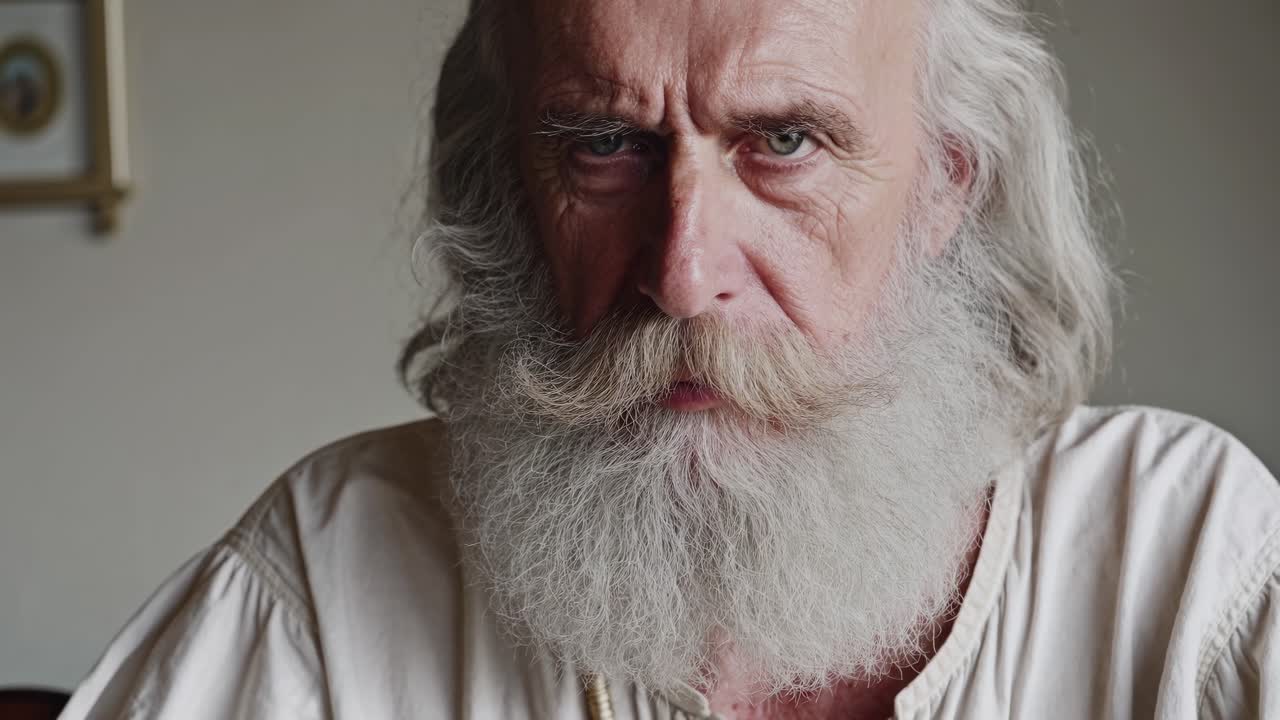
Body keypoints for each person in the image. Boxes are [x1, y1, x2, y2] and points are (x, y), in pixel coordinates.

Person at [60, 0, 1279, 718]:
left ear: (944, 183)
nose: (682, 273)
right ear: (512, 187)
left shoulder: (1187, 578)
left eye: (784, 141)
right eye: (604, 145)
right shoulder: (323, 597)